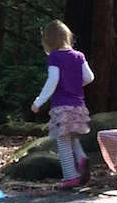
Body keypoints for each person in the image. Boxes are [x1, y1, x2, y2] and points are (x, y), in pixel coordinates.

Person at [31, 20, 94, 189]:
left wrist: (39, 101)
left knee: (62, 141)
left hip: (61, 105)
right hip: (78, 105)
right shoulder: (79, 56)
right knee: (71, 136)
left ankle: (70, 177)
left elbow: (53, 81)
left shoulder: (55, 57)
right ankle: (81, 158)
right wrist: (74, 84)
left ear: (48, 41)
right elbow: (89, 77)